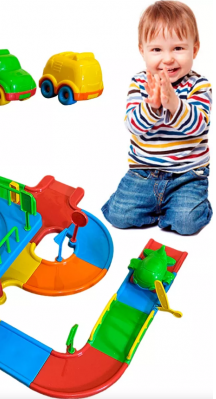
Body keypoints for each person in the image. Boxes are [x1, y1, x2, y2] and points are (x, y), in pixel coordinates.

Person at [102, 0, 212, 235]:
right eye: (157, 50)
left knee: (186, 223)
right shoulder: (139, 83)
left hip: (187, 175)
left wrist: (174, 104)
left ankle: (184, 207)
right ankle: (161, 209)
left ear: (194, 50)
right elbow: (133, 125)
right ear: (142, 50)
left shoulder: (199, 85)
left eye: (178, 48)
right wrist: (151, 107)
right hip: (143, 173)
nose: (168, 59)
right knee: (119, 216)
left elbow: (199, 126)